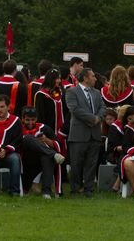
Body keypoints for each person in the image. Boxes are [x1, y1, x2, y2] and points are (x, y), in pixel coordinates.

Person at [65, 67, 106, 197]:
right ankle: (75, 189)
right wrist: (92, 118)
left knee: (91, 163)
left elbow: (103, 107)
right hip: (78, 133)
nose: (95, 78)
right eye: (92, 76)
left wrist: (98, 118)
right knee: (76, 163)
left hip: (94, 134)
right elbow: (75, 109)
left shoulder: (97, 93)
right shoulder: (72, 92)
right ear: (85, 78)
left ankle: (89, 189)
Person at [19, 107, 65, 198]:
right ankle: (53, 154)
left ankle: (46, 192)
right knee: (28, 138)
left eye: (33, 120)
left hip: (41, 160)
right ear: (23, 119)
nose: (30, 123)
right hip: (25, 160)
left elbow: (57, 145)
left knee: (47, 157)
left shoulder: (44, 128)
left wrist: (46, 140)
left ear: (36, 119)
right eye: (27, 120)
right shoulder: (18, 128)